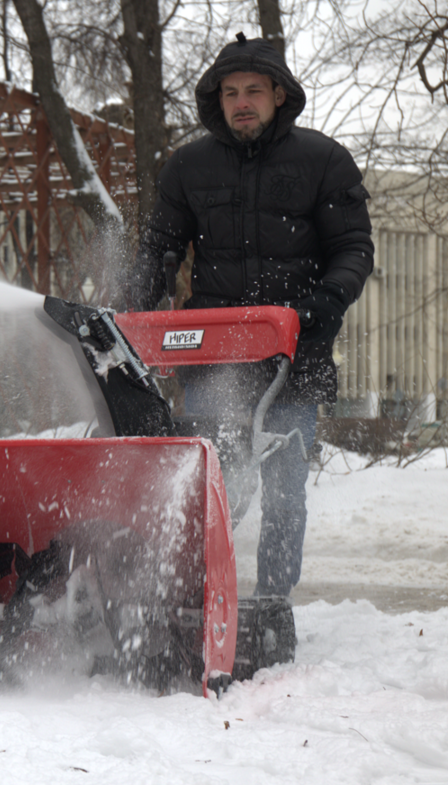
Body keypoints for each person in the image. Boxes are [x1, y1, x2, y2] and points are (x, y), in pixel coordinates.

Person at [129, 33, 374, 597]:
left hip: (295, 354)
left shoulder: (323, 161)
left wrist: (325, 302)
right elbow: (155, 249)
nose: (242, 102)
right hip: (215, 358)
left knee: (285, 492)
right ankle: (191, 597)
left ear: (279, 96)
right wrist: (131, 313)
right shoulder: (188, 167)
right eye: (232, 93)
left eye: (254, 91)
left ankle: (272, 605)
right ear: (217, 101)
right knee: (218, 486)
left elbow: (353, 248)